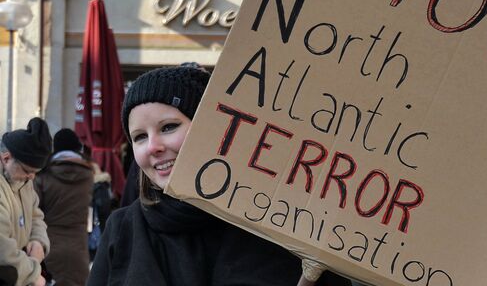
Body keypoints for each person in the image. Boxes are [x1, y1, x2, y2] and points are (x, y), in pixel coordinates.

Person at [88, 65, 341, 285]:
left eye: (168, 127)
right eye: (140, 137)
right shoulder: (122, 228)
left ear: (212, 127)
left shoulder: (278, 225)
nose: (153, 146)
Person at [34, 128, 94, 286]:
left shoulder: (44, 174)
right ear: (77, 147)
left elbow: (34, 211)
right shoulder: (89, 174)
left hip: (48, 245)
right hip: (79, 248)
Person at [0, 117, 52, 286]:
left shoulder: (25, 181)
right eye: (28, 171)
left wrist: (38, 242)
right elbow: (3, 250)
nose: (31, 177)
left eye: (35, 172)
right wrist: (34, 274)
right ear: (6, 159)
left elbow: (36, 216)